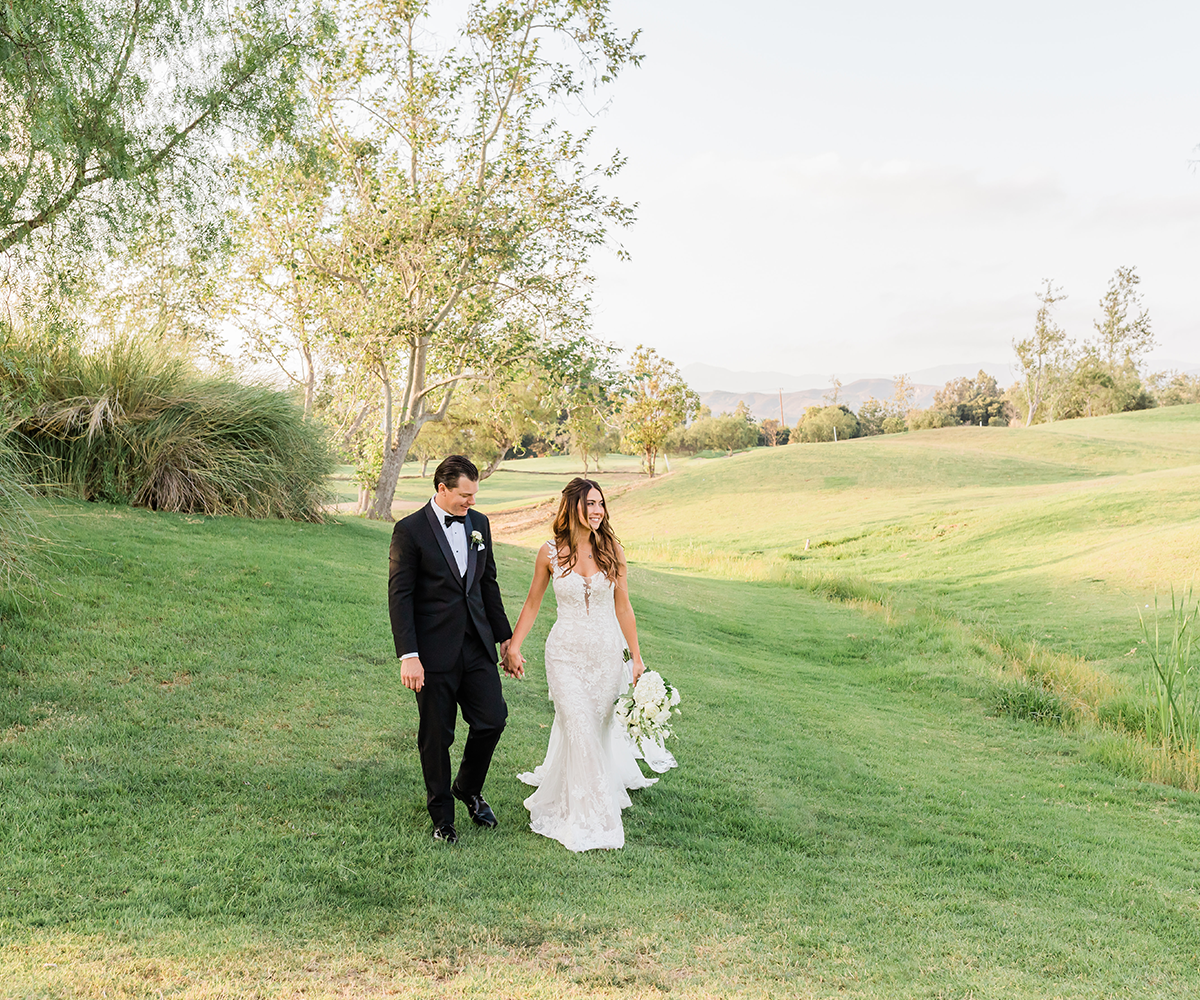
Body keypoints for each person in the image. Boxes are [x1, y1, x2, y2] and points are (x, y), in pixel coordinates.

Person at [504, 477, 670, 851]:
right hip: (563, 654)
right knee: (577, 724)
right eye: (590, 503)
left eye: (601, 504)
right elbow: (532, 604)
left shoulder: (613, 550)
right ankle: (591, 815)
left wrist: (636, 658)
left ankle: (583, 789)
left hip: (606, 657)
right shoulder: (548, 552)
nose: (597, 511)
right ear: (572, 506)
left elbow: (623, 607)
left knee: (594, 730)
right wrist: (514, 646)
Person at [388, 455, 520, 844]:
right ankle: (442, 817)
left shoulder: (479, 524)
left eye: (475, 494)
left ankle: (467, 786)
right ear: (442, 489)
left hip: (477, 646)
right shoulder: (409, 531)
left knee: (492, 720)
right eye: (465, 495)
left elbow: (487, 584)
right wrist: (408, 655)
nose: (471, 503)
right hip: (432, 653)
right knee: (436, 735)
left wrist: (505, 638)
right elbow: (400, 596)